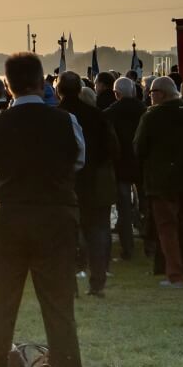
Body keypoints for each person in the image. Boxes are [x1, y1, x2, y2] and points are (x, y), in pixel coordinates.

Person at [0, 51, 85, 367]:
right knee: (59, 310)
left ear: (6, 86)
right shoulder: (66, 120)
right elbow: (78, 159)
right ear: (43, 82)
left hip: (9, 215)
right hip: (55, 215)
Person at [134, 76, 183, 288]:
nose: (149, 95)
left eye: (152, 92)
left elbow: (139, 147)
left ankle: (175, 275)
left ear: (161, 94)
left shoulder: (152, 117)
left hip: (162, 181)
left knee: (167, 229)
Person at [58, 72, 117, 297]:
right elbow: (113, 148)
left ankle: (69, 283)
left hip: (67, 182)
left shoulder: (57, 117)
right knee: (99, 232)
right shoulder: (98, 115)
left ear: (58, 91)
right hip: (95, 180)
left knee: (66, 234)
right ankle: (98, 281)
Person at [104, 76, 144, 261]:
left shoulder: (109, 113)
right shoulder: (145, 111)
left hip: (120, 166)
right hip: (141, 163)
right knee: (147, 205)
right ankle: (150, 244)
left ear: (116, 93)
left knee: (124, 209)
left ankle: (127, 248)